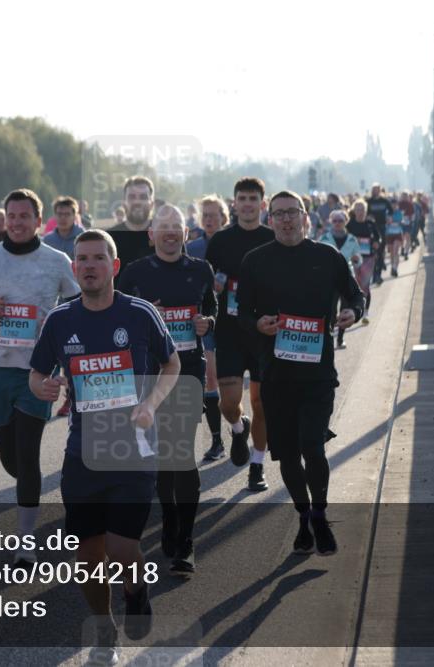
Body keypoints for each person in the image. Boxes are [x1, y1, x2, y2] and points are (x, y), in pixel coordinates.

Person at [30, 228, 180, 666]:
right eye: (82, 259)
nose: (89, 266)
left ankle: (135, 587)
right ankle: (105, 630)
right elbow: (37, 374)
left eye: (98, 258)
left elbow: (171, 362)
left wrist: (151, 402)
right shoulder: (60, 320)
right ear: (73, 268)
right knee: (87, 555)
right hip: (82, 452)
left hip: (133, 449)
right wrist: (44, 387)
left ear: (113, 267)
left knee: (119, 549)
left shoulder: (141, 314)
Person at [237, 190, 364, 557]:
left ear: (306, 217)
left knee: (312, 443)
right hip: (275, 373)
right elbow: (241, 314)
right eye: (279, 214)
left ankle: (321, 515)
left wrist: (352, 313)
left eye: (293, 212)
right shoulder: (255, 261)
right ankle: (303, 516)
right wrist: (257, 324)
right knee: (289, 453)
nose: (287, 219)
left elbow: (356, 295)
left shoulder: (327, 256)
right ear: (269, 218)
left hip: (318, 372)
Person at [0, 189, 79, 568]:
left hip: (37, 369)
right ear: (4, 219)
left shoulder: (56, 260)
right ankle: (28, 492)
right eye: (11, 216)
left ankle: (25, 542)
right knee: (10, 459)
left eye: (24, 216)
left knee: (28, 452)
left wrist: (59, 339)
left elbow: (77, 303)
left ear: (38, 221)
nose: (16, 222)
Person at [118, 204, 215, 575]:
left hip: (189, 371)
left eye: (177, 226)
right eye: (164, 227)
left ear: (186, 234)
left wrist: (207, 322)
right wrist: (143, 314)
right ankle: (171, 518)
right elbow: (117, 315)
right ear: (151, 235)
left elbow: (211, 308)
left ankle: (186, 541)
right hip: (149, 377)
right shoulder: (135, 273)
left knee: (182, 454)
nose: (171, 232)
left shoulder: (201, 270)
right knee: (161, 459)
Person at [205, 177, 274, 492]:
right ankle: (237, 427)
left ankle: (257, 466)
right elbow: (208, 284)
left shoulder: (273, 239)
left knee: (261, 404)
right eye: (241, 198)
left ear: (262, 203)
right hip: (230, 332)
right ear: (234, 204)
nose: (247, 204)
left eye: (252, 199)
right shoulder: (220, 241)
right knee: (228, 403)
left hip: (263, 334)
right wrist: (213, 290)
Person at [185, 195, 227, 460]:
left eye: (215, 215)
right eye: (206, 215)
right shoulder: (192, 247)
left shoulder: (233, 244)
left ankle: (237, 421)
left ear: (224, 217)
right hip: (203, 320)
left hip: (233, 319)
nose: (210, 219)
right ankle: (217, 440)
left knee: (229, 387)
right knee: (209, 379)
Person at [318, 211, 363, 348]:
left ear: (346, 222)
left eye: (340, 221)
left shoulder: (352, 239)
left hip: (346, 278)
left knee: (345, 310)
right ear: (331, 222)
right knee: (331, 311)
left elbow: (359, 259)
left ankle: (340, 338)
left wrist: (356, 260)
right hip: (329, 280)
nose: (337, 223)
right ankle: (330, 337)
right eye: (335, 221)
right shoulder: (324, 238)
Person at [108, 176, 156, 273]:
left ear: (151, 204)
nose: (137, 202)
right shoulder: (109, 238)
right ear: (123, 203)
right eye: (132, 197)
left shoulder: (165, 236)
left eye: (143, 197)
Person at [346, 199, 380, 325]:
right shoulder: (349, 225)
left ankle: (365, 312)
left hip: (368, 258)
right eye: (358, 209)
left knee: (365, 286)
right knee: (355, 284)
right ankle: (354, 309)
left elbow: (378, 237)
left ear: (366, 211)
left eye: (362, 209)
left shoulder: (370, 224)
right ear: (354, 211)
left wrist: (377, 243)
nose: (360, 212)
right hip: (353, 258)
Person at [365, 184, 393, 284]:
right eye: (373, 190)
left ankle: (378, 275)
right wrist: (368, 217)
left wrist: (389, 217)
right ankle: (373, 274)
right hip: (371, 228)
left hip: (382, 227)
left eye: (377, 190)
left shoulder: (384, 201)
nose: (375, 191)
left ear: (380, 190)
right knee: (372, 253)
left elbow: (391, 211)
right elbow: (365, 213)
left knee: (380, 251)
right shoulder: (368, 201)